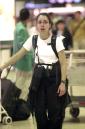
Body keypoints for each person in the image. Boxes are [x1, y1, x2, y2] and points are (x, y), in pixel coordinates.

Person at [0, 13, 70, 129]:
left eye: (45, 22)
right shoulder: (33, 39)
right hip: (38, 79)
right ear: (36, 25)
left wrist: (63, 83)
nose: (42, 24)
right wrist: (2, 66)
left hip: (54, 79)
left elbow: (63, 63)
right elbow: (18, 55)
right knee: (39, 112)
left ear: (50, 25)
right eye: (40, 22)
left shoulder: (56, 41)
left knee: (55, 112)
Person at [11, 8, 33, 101]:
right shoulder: (22, 29)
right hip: (24, 62)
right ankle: (20, 104)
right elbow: (24, 47)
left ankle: (18, 103)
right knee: (23, 85)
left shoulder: (18, 26)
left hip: (20, 61)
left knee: (20, 83)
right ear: (28, 18)